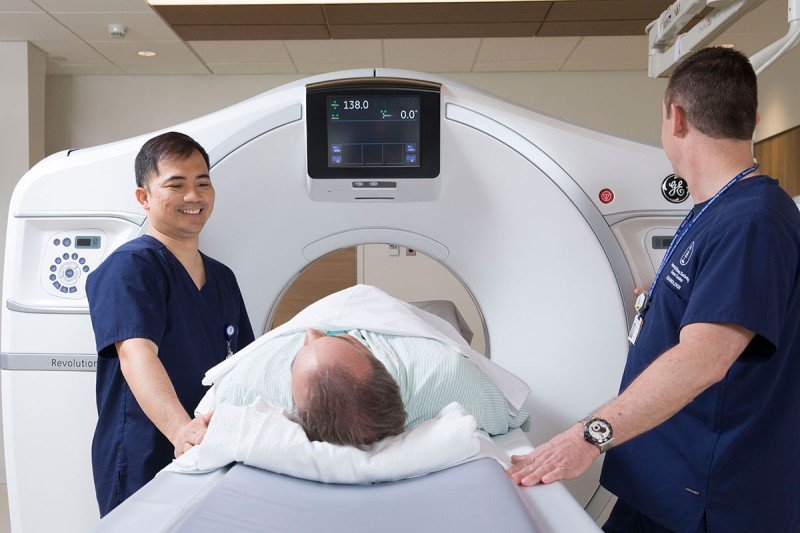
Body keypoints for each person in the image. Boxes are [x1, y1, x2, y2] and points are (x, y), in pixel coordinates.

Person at [508, 47, 800, 532]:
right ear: (754, 117)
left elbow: (704, 360)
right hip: (665, 481)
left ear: (677, 118)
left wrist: (589, 435)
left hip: (713, 496)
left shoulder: (755, 220)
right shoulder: (715, 211)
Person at [86, 132, 255, 516]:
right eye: (176, 185)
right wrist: (182, 431)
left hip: (206, 448)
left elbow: (243, 363)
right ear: (144, 197)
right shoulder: (131, 268)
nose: (193, 197)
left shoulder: (222, 277)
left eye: (203, 183)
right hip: (144, 450)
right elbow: (136, 355)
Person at [205, 285, 531, 447]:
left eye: (335, 337)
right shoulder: (447, 377)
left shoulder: (251, 385)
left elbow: (205, 413)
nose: (311, 331)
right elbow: (514, 414)